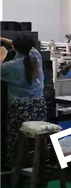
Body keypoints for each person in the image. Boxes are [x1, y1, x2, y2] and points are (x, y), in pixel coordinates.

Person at [0, 34, 45, 170]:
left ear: (14, 47)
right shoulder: (36, 56)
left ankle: (15, 168)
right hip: (39, 106)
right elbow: (26, 47)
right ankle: (37, 166)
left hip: (20, 109)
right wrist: (3, 39)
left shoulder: (11, 66)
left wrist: (2, 55)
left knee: (16, 139)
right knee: (34, 140)